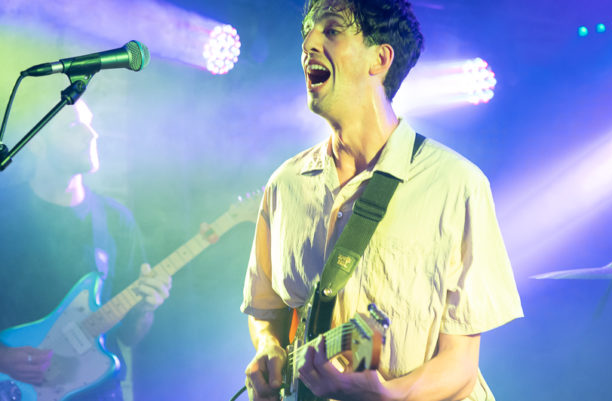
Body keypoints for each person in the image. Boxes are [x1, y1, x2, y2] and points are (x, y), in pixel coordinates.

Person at [241, 0, 523, 400]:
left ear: (380, 59)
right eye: (307, 32)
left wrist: (388, 395)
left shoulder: (457, 184)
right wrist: (268, 346)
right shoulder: (284, 185)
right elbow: (265, 310)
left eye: (331, 30)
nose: (308, 44)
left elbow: (460, 364)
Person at [0, 98, 172, 401]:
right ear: (37, 143)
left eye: (90, 124)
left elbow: (129, 336)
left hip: (99, 392)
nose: (92, 134)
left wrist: (145, 309)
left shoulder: (115, 220)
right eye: (73, 127)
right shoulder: (5, 211)